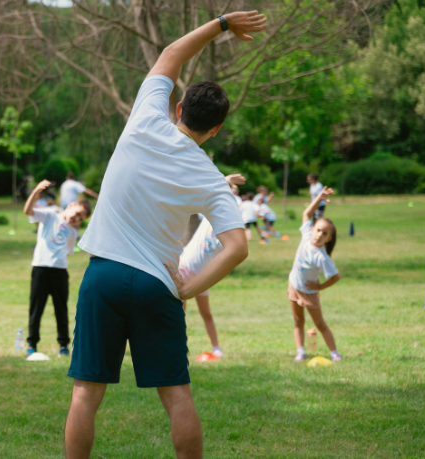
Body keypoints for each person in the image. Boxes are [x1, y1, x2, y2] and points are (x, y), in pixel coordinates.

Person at [64, 11, 264, 458]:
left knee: (85, 395)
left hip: (104, 277)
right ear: (215, 130)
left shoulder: (144, 120)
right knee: (177, 396)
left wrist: (223, 23)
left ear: (178, 109)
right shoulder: (211, 177)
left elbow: (171, 54)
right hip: (158, 285)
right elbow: (237, 247)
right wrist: (189, 288)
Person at [177, 174, 246, 360]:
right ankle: (179, 349)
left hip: (204, 276)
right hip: (184, 269)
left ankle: (216, 348)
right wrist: (226, 179)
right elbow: (210, 191)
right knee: (178, 313)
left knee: (206, 313)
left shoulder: (232, 229)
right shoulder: (209, 215)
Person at [23, 179, 92, 358]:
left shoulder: (73, 232)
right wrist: (37, 190)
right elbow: (27, 211)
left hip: (60, 271)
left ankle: (63, 345)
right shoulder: (49, 215)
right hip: (40, 267)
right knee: (36, 307)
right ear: (70, 205)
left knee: (60, 309)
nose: (76, 219)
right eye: (77, 213)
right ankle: (32, 343)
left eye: (80, 218)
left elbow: (67, 251)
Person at [289, 186, 341, 363]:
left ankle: (335, 353)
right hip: (294, 285)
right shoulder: (306, 235)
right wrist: (320, 197)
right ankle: (300, 352)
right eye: (318, 230)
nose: (319, 235)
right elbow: (306, 213)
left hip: (309, 292)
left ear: (329, 239)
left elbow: (335, 277)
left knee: (319, 324)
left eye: (324, 233)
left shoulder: (322, 257)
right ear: (312, 230)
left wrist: (319, 287)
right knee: (298, 320)